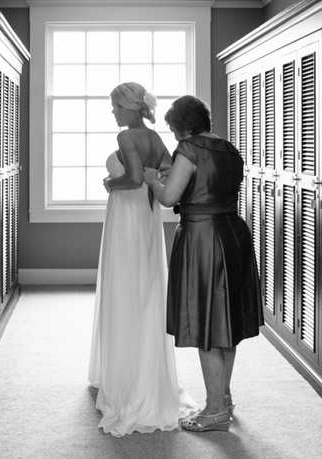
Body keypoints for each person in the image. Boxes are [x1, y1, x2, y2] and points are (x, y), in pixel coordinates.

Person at [143, 95, 263, 433]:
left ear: (182, 127)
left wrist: (154, 177)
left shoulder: (189, 149)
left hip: (203, 237)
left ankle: (213, 411)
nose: (175, 137)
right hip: (234, 234)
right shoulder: (229, 148)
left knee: (208, 322)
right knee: (226, 321)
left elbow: (169, 198)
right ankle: (223, 397)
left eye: (174, 130)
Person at [88, 82, 197, 437]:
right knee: (145, 287)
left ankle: (126, 379)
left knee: (124, 287)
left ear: (133, 108)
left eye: (117, 106)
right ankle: (145, 370)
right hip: (147, 221)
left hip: (126, 219)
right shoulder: (155, 138)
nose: (114, 112)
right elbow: (164, 174)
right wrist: (151, 181)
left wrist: (110, 182)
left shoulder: (127, 138)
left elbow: (134, 179)